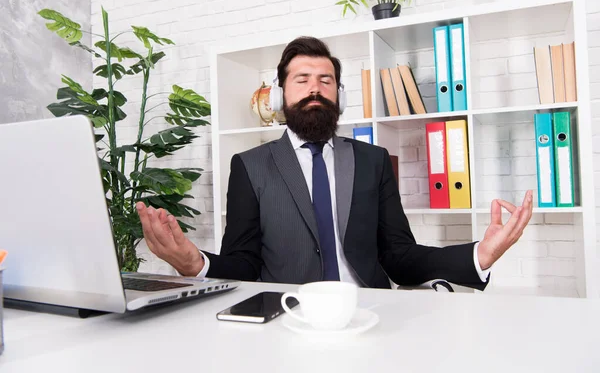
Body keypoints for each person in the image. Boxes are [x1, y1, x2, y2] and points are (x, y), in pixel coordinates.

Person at [136, 36, 533, 290]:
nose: (314, 88)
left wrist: (478, 254)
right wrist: (195, 264)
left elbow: (400, 256)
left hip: (371, 311)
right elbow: (244, 264)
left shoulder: (372, 160)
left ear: (338, 96)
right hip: (289, 317)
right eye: (302, 79)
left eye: (325, 81)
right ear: (279, 97)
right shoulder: (249, 165)